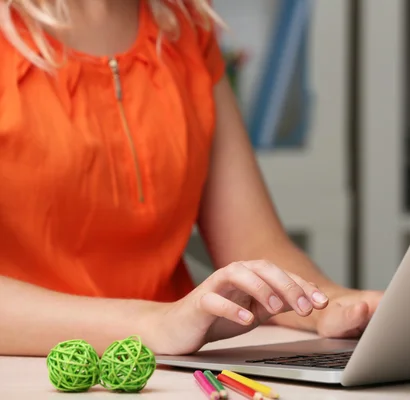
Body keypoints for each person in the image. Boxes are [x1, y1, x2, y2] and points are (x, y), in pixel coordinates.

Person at [0, 0, 382, 357]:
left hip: (171, 370)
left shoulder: (183, 22)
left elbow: (253, 244)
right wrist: (152, 324)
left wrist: (330, 305)